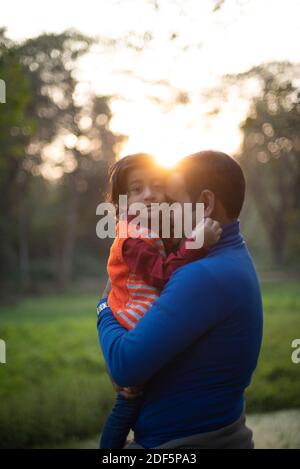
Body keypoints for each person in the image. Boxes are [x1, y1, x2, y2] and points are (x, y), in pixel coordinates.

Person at [97, 150, 263, 449]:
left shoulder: (201, 276)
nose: (162, 208)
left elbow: (123, 366)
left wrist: (103, 309)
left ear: (206, 204)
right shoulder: (232, 256)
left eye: (172, 202)